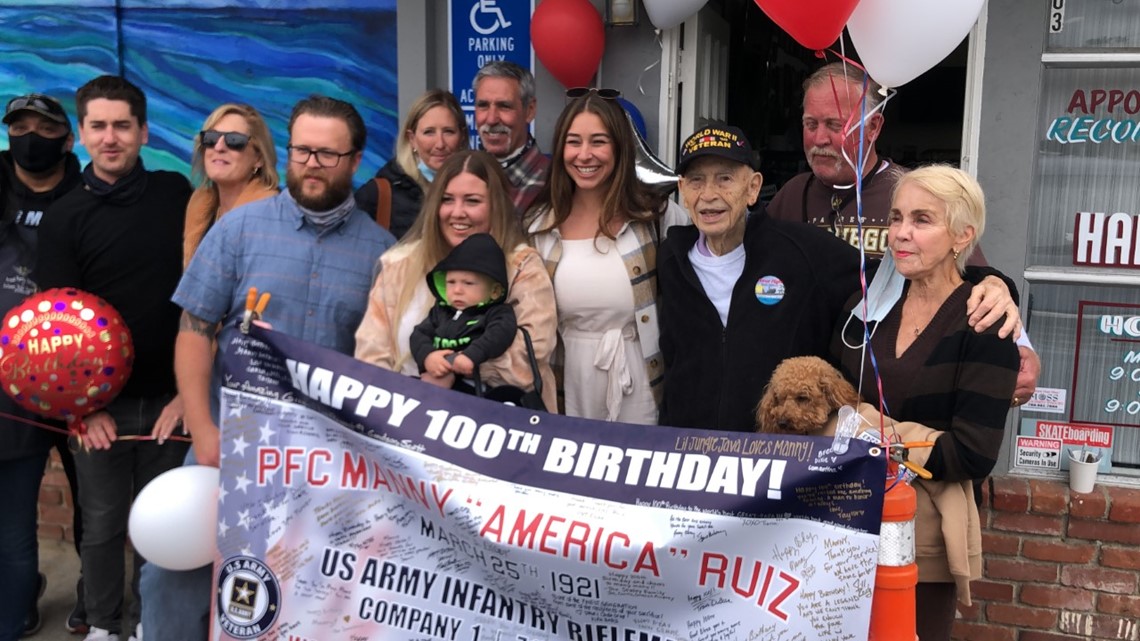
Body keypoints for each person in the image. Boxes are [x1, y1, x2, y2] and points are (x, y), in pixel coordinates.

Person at [142, 95, 396, 641]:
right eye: (303, 149)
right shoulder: (238, 230)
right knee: (172, 577)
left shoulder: (385, 254)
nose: (313, 163)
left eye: (329, 154)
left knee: (311, 589)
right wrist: (203, 431)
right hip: (229, 443)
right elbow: (193, 332)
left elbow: (384, 366)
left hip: (327, 460)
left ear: (355, 160)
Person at [657, 124, 1021, 431]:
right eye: (695, 181)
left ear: (753, 187)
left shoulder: (802, 250)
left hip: (775, 454)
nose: (709, 195)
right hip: (687, 453)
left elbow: (902, 270)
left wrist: (991, 280)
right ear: (681, 189)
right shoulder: (668, 259)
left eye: (724, 179)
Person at [767, 62, 1040, 403]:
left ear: (875, 125)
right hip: (804, 394)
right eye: (811, 124)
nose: (820, 138)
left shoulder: (913, 194)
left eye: (836, 125)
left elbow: (973, 275)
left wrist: (1019, 339)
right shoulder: (790, 196)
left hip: (885, 390)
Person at [34, 75, 192, 641]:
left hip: (175, 402)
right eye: (98, 126)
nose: (110, 137)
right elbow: (55, 332)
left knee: (163, 523)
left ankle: (156, 621)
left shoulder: (178, 197)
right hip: (101, 410)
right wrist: (85, 410)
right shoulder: (65, 217)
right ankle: (103, 623)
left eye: (122, 125)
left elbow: (204, 301)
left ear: (143, 132)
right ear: (80, 135)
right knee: (101, 525)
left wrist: (186, 396)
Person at [832, 165, 1018, 641]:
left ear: (963, 235)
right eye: (895, 218)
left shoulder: (984, 322)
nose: (900, 233)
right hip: (846, 524)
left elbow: (972, 452)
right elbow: (833, 398)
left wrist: (870, 434)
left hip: (923, 538)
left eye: (921, 220)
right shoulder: (868, 302)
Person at [355, 149, 557, 411]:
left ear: (496, 205)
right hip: (407, 421)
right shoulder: (398, 265)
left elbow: (526, 363)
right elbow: (371, 357)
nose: (457, 212)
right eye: (447, 200)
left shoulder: (522, 267)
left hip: (497, 428)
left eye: (472, 201)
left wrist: (450, 366)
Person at [0, 92, 88, 640]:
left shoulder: (89, 193)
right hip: (9, 388)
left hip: (88, 382)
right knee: (11, 518)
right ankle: (14, 606)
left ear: (67, 137)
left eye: (45, 126)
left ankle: (93, 595)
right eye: (20, 126)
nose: (31, 136)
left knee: (97, 510)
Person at [527, 90, 667, 423]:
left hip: (639, 376)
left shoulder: (655, 218)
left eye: (598, 142)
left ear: (619, 149)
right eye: (574, 142)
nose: (584, 155)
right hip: (568, 378)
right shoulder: (538, 227)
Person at [355, 89, 468, 238]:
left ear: (462, 136)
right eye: (429, 132)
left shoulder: (480, 191)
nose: (440, 144)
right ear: (412, 138)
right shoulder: (377, 194)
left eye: (448, 131)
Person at [410, 233, 517, 391]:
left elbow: (499, 334)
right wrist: (427, 357)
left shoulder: (497, 313)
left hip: (475, 385)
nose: (457, 290)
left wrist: (471, 356)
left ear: (495, 291)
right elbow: (419, 334)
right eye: (450, 282)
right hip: (434, 377)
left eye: (468, 283)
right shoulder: (441, 311)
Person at [183, 103, 279, 266]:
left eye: (234, 140)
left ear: (259, 158)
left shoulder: (272, 215)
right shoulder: (199, 204)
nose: (219, 147)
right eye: (211, 138)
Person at [473, 61, 550, 216]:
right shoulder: (460, 174)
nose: (491, 119)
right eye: (483, 105)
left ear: (530, 110)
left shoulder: (553, 183)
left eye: (504, 106)